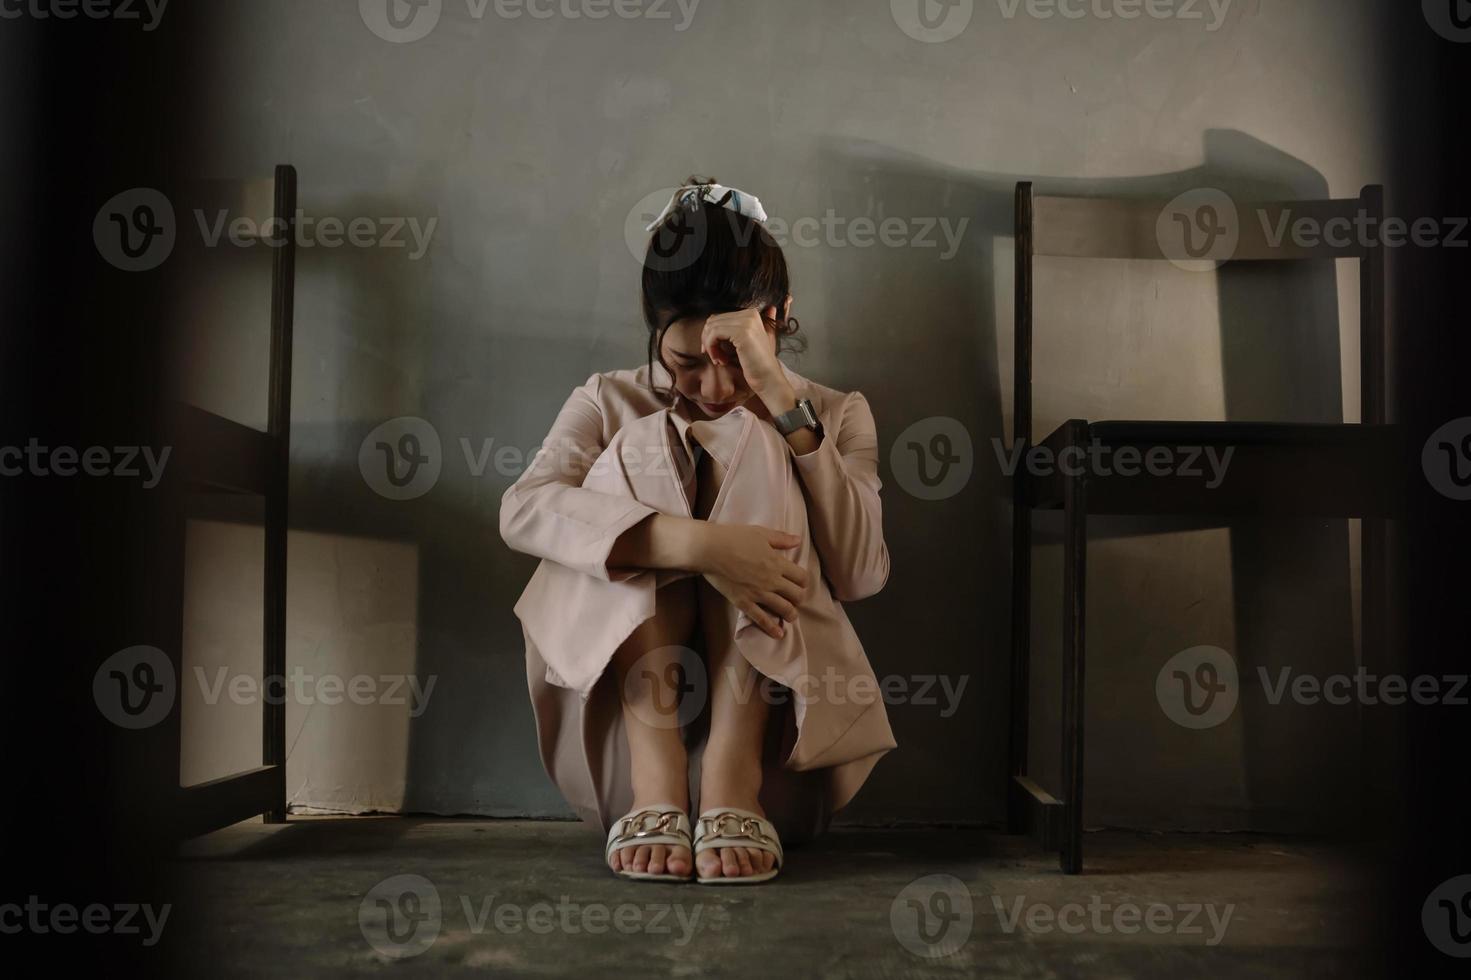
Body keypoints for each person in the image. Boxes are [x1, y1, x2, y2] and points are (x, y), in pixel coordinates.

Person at [500, 178, 896, 884]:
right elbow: (523, 508)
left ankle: (729, 773)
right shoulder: (608, 398)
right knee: (643, 445)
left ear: (777, 320)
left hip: (781, 761)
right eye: (684, 364)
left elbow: (862, 571)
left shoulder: (834, 413)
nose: (712, 388)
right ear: (655, 329)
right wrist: (704, 547)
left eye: (734, 362)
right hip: (625, 762)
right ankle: (661, 781)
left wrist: (779, 402)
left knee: (760, 440)